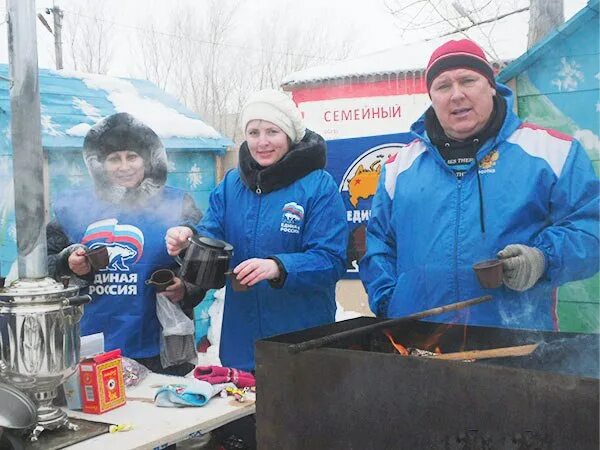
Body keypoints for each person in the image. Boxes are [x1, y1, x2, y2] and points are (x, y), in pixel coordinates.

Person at [360, 39, 599, 330]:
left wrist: (542, 259)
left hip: (516, 344)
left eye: (468, 80)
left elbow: (590, 229)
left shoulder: (552, 152)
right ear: (432, 98)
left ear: (491, 85)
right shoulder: (399, 167)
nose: (456, 94)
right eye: (443, 86)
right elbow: (379, 246)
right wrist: (388, 300)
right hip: (418, 345)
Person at [166, 89, 347, 371]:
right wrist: (189, 240)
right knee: (246, 414)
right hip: (242, 343)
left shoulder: (318, 186)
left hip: (301, 341)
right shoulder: (231, 185)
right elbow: (211, 238)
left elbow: (332, 261)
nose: (262, 142)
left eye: (272, 131)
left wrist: (279, 267)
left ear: (289, 135)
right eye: (253, 132)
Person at [47, 112, 204, 376]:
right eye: (113, 159)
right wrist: (67, 262)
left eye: (132, 156)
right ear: (99, 164)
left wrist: (185, 289)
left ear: (148, 160)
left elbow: (203, 265)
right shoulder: (71, 207)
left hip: (159, 348)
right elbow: (41, 265)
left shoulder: (177, 204)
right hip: (90, 347)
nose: (124, 166)